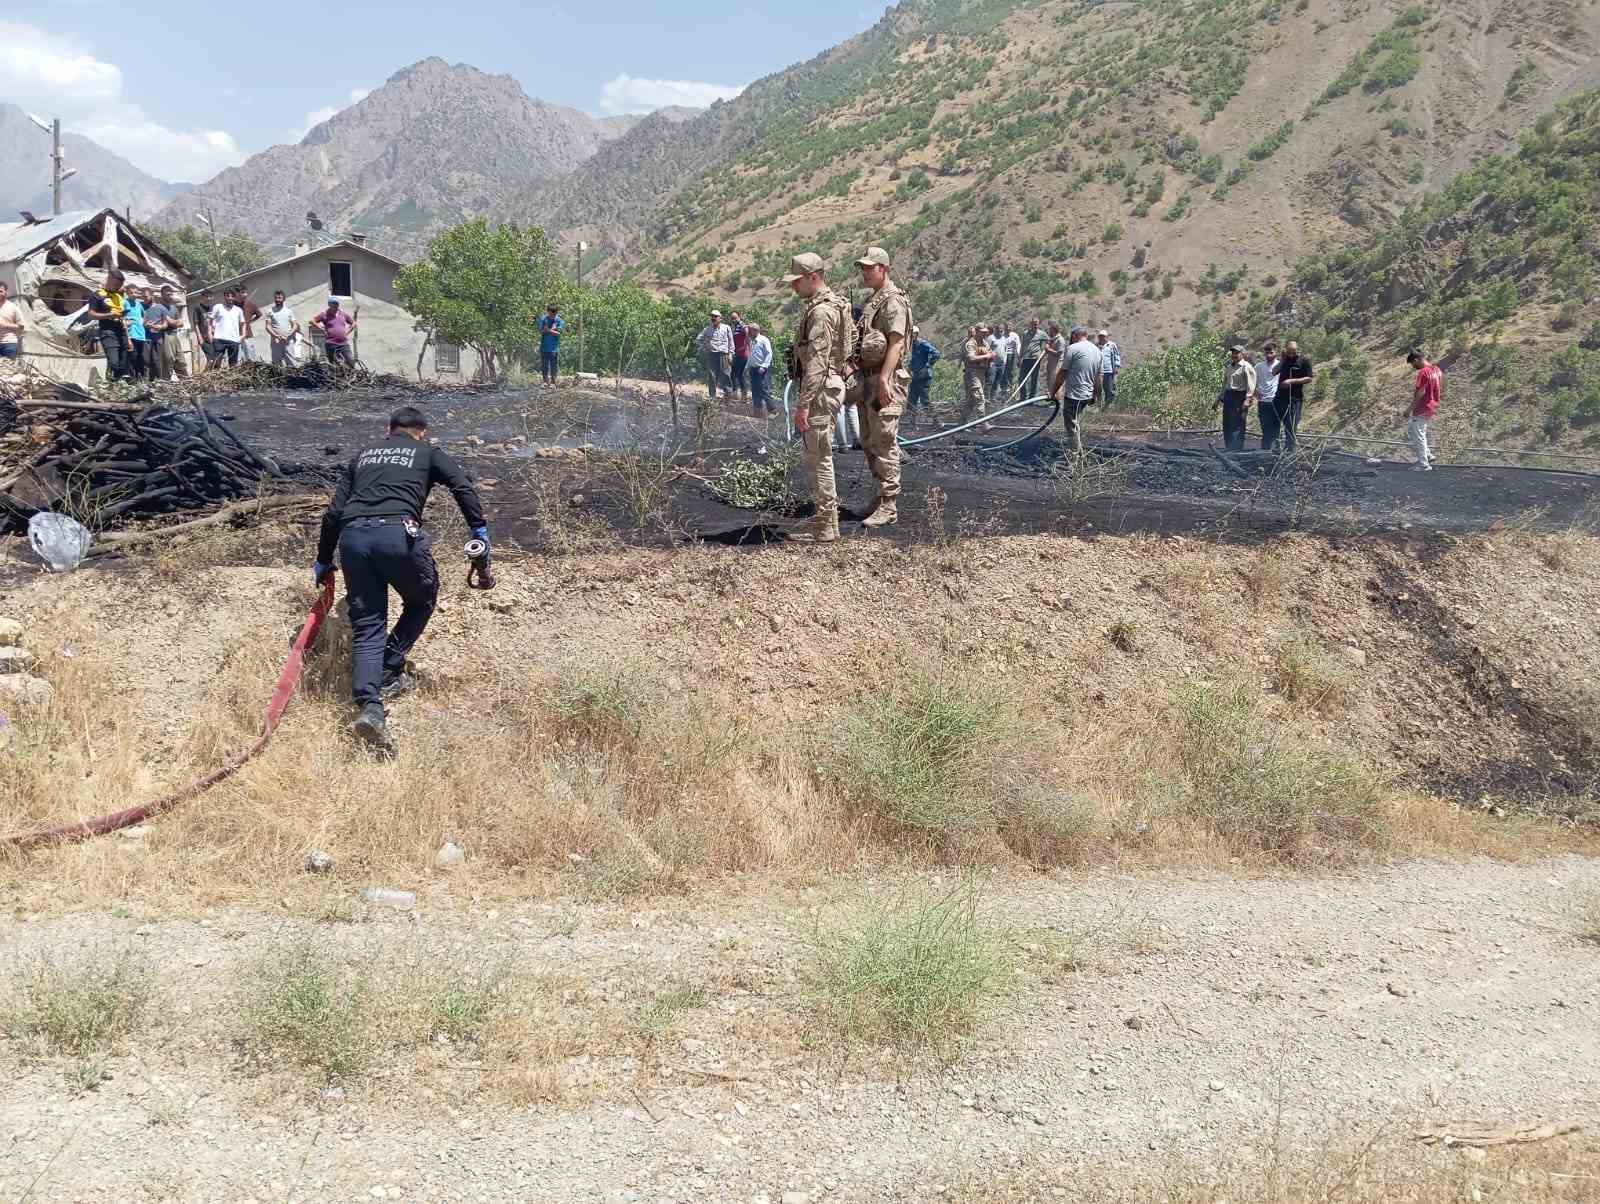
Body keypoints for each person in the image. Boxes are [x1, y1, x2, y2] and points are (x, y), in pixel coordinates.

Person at [314, 405, 489, 752]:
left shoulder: (363, 456)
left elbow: (334, 512)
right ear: (422, 432)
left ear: (388, 429)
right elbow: (462, 486)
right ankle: (389, 668)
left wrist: (323, 559)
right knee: (422, 599)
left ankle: (370, 708)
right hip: (398, 535)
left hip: (354, 539)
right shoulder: (428, 452)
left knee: (369, 625)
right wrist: (479, 528)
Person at [781, 252, 851, 544]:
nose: (793, 286)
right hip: (827, 386)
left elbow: (818, 362)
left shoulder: (822, 312)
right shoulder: (832, 305)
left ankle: (825, 529)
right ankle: (826, 526)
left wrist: (804, 404)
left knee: (818, 458)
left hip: (820, 389)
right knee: (818, 455)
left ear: (813, 277)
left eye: (797, 281)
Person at [853, 247, 912, 528]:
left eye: (870, 267)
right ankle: (879, 498)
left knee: (884, 441)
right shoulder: (873, 301)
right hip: (868, 379)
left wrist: (885, 379)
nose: (865, 272)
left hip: (884, 380)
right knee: (868, 440)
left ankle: (889, 505)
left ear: (884, 268)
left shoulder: (893, 301)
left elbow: (896, 343)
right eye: (863, 268)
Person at [1050, 324, 1102, 451]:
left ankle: (1075, 455)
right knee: (1075, 421)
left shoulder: (1073, 348)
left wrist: (1052, 392)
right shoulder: (1097, 351)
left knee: (1071, 425)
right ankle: (1077, 450)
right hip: (1087, 395)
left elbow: (1062, 373)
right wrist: (1096, 396)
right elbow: (1098, 377)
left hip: (1074, 395)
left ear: (1074, 336)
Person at [1267, 340, 1313, 451]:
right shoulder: (1284, 359)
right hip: (1280, 397)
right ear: (1286, 350)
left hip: (1294, 398)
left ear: (1297, 350)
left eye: (1293, 351)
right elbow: (1274, 372)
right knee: (1274, 421)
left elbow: (1309, 378)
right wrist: (1283, 360)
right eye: (1289, 352)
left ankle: (1289, 449)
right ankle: (1274, 447)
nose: (1291, 354)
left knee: (1291, 424)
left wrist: (1292, 381)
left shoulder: (1304, 360)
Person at [86, 269, 130, 381]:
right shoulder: (97, 295)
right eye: (116, 285)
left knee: (124, 362)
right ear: (109, 279)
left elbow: (120, 313)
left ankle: (120, 385)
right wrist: (110, 315)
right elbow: (91, 314)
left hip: (121, 331)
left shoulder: (118, 296)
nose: (118, 287)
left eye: (119, 285)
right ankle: (110, 383)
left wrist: (124, 319)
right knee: (113, 362)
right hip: (108, 331)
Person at [1405, 348, 1442, 472]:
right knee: (1413, 430)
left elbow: (1420, 392)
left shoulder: (1423, 372)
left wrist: (1409, 409)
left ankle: (1424, 465)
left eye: (1413, 364)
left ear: (1416, 360)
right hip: (1432, 405)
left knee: (1417, 434)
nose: (1413, 367)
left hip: (1423, 407)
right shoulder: (1436, 369)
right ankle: (1428, 455)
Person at [1215, 344, 1256, 452]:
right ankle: (1229, 448)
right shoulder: (1229, 367)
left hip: (1240, 397)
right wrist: (1218, 399)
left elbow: (1251, 385)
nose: (1234, 355)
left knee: (1238, 424)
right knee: (1227, 423)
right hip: (1229, 396)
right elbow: (1225, 384)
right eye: (1233, 353)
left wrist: (1247, 400)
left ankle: (1236, 450)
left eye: (1237, 353)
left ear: (1242, 354)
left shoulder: (1246, 367)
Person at [696, 310, 734, 400]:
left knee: (726, 374)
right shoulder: (707, 329)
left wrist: (730, 354)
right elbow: (698, 339)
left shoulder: (726, 328)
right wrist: (705, 346)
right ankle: (712, 397)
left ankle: (728, 396)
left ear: (720, 318)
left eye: (715, 316)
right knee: (712, 375)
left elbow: (731, 342)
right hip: (712, 354)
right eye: (712, 316)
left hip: (724, 354)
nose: (713, 318)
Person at [907, 325, 940, 426]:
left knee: (924, 400)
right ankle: (912, 423)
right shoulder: (913, 344)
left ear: (916, 334)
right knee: (912, 399)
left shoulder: (922, 343)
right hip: (916, 375)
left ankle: (936, 421)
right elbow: (915, 359)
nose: (910, 336)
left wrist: (928, 364)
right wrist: (911, 367)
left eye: (912, 334)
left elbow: (936, 353)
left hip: (924, 375)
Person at [1251, 341, 1280, 450]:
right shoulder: (1259, 366)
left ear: (1276, 352)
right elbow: (1251, 381)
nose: (1269, 355)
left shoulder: (1280, 365)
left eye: (1271, 353)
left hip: (1276, 401)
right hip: (1263, 402)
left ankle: (1276, 450)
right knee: (1265, 426)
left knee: (1276, 426)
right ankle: (1265, 449)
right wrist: (1255, 391)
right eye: (1267, 353)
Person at [312, 297, 356, 367]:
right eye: (334, 303)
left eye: (337, 303)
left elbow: (353, 323)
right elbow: (312, 321)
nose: (336, 305)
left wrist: (348, 332)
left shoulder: (343, 314)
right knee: (333, 365)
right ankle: (335, 374)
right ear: (329, 305)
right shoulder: (324, 314)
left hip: (343, 343)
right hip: (331, 343)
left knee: (351, 361)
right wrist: (321, 329)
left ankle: (349, 372)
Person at [962, 324, 993, 423]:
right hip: (972, 373)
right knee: (979, 397)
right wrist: (986, 356)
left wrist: (991, 356)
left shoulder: (984, 343)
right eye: (982, 332)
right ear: (977, 331)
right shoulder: (970, 343)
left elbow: (990, 353)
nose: (985, 334)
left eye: (985, 332)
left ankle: (962, 422)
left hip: (981, 372)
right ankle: (983, 423)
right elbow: (971, 358)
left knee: (972, 400)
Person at [208, 289, 245, 368]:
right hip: (219, 339)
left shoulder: (238, 310)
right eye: (228, 296)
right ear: (224, 297)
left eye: (232, 296)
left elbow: (243, 323)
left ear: (234, 298)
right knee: (216, 363)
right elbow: (210, 320)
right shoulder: (218, 307)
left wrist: (243, 335)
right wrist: (210, 333)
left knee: (233, 365)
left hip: (234, 340)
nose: (230, 298)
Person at [265, 290, 300, 368]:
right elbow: (267, 326)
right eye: (276, 298)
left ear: (283, 299)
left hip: (288, 341)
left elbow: (295, 325)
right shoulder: (270, 311)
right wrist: (276, 336)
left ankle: (292, 375)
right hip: (276, 342)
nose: (277, 299)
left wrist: (288, 335)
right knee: (277, 364)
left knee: (291, 363)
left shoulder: (289, 311)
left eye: (279, 298)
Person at [746, 322, 774, 415]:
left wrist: (764, 366)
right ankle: (758, 411)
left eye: (749, 330)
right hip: (753, 369)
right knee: (755, 390)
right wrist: (747, 367)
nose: (748, 332)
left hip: (762, 369)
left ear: (755, 330)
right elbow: (751, 355)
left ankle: (773, 411)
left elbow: (769, 354)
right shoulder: (751, 341)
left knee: (764, 389)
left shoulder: (763, 340)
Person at [123, 286, 148, 380]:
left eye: (136, 292)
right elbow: (122, 317)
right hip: (131, 334)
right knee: (132, 357)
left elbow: (144, 315)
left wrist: (144, 323)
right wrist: (126, 322)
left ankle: (140, 378)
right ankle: (131, 379)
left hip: (140, 334)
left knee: (140, 357)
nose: (134, 294)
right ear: (127, 293)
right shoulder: (125, 302)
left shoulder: (138, 304)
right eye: (131, 293)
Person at [1019, 317, 1047, 396]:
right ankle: (1023, 396)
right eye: (1034, 324)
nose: (1035, 326)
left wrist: (1044, 351)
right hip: (1026, 358)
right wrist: (1020, 357)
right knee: (1022, 378)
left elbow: (1049, 341)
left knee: (1034, 378)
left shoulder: (1042, 334)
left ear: (1038, 324)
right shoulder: (1025, 333)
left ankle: (1032, 396)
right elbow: (1023, 345)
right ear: (1030, 324)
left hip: (1035, 359)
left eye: (1036, 324)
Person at [538, 303, 564, 384]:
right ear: (547, 311)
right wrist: (548, 330)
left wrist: (548, 330)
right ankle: (545, 382)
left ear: (556, 312)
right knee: (544, 365)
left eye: (554, 314)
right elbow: (540, 331)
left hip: (554, 348)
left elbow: (559, 333)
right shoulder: (543, 319)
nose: (552, 316)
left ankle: (553, 382)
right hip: (544, 347)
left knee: (554, 366)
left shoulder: (559, 321)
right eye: (550, 314)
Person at [1096, 329, 1122, 404]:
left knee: (1109, 389)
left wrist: (1116, 367)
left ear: (1107, 337)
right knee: (1098, 389)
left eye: (1103, 336)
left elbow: (1117, 356)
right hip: (1098, 372)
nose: (1101, 338)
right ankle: (1098, 405)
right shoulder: (1096, 346)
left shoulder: (1112, 345)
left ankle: (1108, 405)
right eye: (1100, 336)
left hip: (1108, 371)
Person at [192, 288, 216, 369]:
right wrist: (199, 337)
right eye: (206, 296)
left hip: (214, 337)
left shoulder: (213, 308)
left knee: (216, 358)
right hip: (204, 338)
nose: (208, 298)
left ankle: (210, 373)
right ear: (202, 297)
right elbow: (196, 324)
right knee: (211, 359)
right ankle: (206, 374)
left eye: (210, 296)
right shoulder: (198, 308)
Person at [237, 288, 263, 361]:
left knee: (251, 357)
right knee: (239, 359)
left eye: (245, 292)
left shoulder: (250, 304)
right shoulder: (233, 305)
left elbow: (259, 314)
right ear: (237, 294)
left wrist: (250, 321)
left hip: (247, 334)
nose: (244, 294)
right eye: (242, 292)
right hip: (236, 336)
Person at [730, 312, 750, 402]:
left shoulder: (742, 325)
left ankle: (744, 395)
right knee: (733, 374)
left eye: (735, 318)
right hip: (736, 354)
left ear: (739, 317)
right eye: (732, 318)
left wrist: (744, 346)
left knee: (740, 374)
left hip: (742, 354)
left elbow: (747, 334)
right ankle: (737, 393)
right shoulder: (734, 327)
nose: (734, 320)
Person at [986, 322, 1008, 400]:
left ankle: (993, 398)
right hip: (993, 363)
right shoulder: (991, 338)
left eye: (1002, 330)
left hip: (1001, 363)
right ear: (995, 329)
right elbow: (986, 350)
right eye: (999, 330)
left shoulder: (1004, 339)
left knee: (997, 381)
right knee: (990, 380)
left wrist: (1005, 360)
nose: (1000, 331)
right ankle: (986, 398)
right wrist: (989, 361)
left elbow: (1005, 350)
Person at [0, 281, 22, 361]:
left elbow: (21, 326)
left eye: (0, 291)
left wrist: (5, 325)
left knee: (9, 367)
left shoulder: (13, 307)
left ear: (6, 292)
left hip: (9, 343)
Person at [1002, 323, 1022, 398]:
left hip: (1012, 354)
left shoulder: (1014, 335)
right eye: (1007, 327)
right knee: (1004, 370)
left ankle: (1012, 386)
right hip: (1004, 353)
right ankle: (1004, 387)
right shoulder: (1002, 335)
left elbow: (1018, 345)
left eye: (1010, 327)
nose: (1008, 328)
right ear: (1005, 327)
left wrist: (1019, 355)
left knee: (1012, 370)